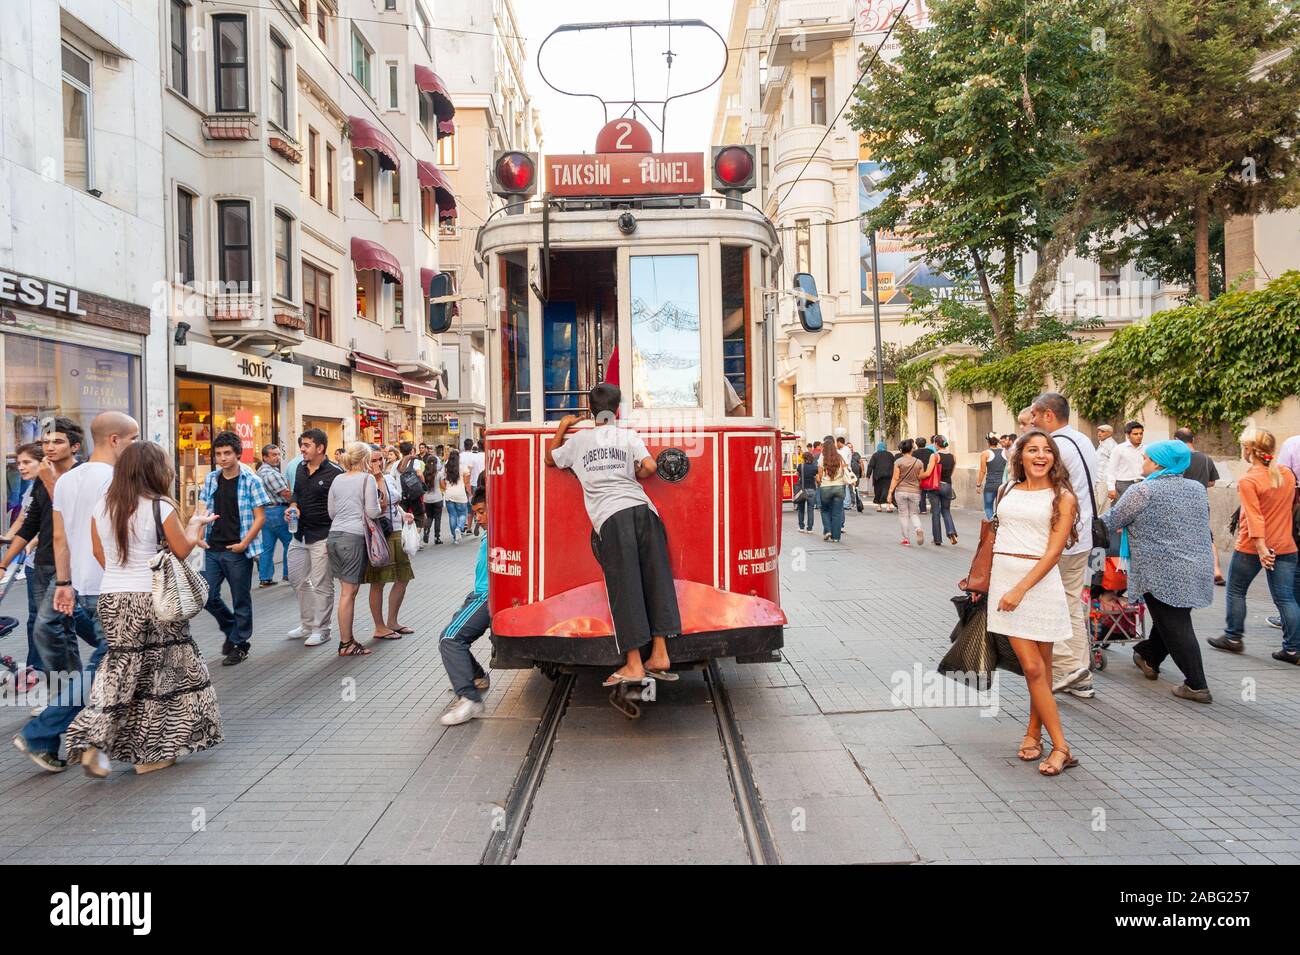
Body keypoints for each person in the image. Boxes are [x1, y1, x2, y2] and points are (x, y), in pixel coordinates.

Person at [65, 442, 222, 777]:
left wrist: (123, 575)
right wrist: (195, 526)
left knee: (120, 667)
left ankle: (96, 738)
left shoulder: (104, 506)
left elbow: (98, 553)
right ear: (155, 470)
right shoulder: (159, 506)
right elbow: (179, 551)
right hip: (153, 598)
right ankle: (151, 753)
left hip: (113, 596)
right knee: (163, 673)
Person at [12, 411, 139, 773]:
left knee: (109, 662)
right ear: (115, 440)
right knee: (104, 665)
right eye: (132, 439)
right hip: (112, 586)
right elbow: (118, 537)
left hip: (83, 585)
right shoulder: (116, 480)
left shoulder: (67, 481)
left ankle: (89, 739)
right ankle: (43, 733)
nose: (134, 446)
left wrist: (65, 584)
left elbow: (59, 537)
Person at [546, 383, 680, 686]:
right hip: (646, 512)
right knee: (656, 580)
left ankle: (634, 664)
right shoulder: (627, 436)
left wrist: (563, 426)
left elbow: (550, 459)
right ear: (617, 410)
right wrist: (638, 471)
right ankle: (660, 653)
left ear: (591, 412)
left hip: (612, 517)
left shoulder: (579, 441)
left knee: (626, 587)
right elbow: (650, 466)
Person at [987, 429, 1079, 777]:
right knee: (1035, 669)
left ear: (1054, 458)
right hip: (1003, 581)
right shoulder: (1007, 489)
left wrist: (1021, 589)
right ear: (1020, 456)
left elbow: (1054, 552)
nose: (1040, 456)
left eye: (1047, 451)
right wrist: (1001, 587)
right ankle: (1033, 733)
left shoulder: (1063, 496)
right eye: (1032, 450)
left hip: (1036, 587)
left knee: (1036, 669)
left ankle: (1060, 747)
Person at [1101, 440, 1215, 702]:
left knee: (1175, 624)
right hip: (1196, 564)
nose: (1143, 460)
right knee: (1171, 618)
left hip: (1161, 570)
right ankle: (1148, 655)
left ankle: (1197, 685)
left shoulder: (1143, 491)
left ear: (1158, 463)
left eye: (1148, 457)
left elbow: (1113, 520)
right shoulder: (1196, 488)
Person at [1029, 392, 1101, 700]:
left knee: (1040, 603)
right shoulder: (1083, 441)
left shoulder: (1054, 447)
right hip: (1082, 536)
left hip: (1061, 537)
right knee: (1072, 604)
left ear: (1048, 415)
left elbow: (1046, 491)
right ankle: (1081, 676)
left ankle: (1069, 666)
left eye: (1034, 415)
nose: (1031, 421)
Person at [1207, 429, 1300, 664]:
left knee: (1236, 590)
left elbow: (1255, 516)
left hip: (1252, 546)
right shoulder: (1287, 475)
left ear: (1249, 450)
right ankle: (1293, 649)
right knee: (1286, 597)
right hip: (1286, 544)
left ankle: (1233, 637)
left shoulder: (1249, 480)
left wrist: (1261, 548)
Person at [9, 421, 86, 681]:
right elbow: (31, 522)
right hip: (41, 562)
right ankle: (72, 691)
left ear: (75, 446)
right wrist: (3, 563)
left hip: (71, 565)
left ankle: (63, 690)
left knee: (45, 626)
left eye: (58, 442)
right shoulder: (45, 476)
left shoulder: (82, 475)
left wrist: (50, 480)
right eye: (46, 442)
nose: (50, 447)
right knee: (61, 629)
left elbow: (73, 514)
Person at [197, 431, 271, 667]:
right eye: (218, 454)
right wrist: (199, 536)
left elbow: (260, 517)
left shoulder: (252, 480)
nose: (222, 458)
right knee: (205, 595)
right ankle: (232, 629)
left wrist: (244, 544)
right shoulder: (211, 479)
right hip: (212, 547)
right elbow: (202, 509)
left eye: (227, 453)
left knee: (241, 598)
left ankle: (240, 644)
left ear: (238, 454)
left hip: (237, 549)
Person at [437, 487, 495, 725]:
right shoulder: (490, 530)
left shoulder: (501, 530)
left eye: (482, 512)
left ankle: (469, 699)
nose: (478, 518)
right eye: (476, 513)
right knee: (450, 635)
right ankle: (477, 677)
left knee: (450, 639)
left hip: (487, 596)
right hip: (480, 594)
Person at [287, 428, 345, 647]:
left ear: (320, 448)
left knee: (322, 584)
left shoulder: (335, 473)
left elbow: (341, 507)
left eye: (307, 445)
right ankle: (307, 624)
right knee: (297, 579)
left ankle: (322, 629)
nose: (302, 449)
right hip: (299, 533)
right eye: (302, 444)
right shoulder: (300, 469)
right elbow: (296, 494)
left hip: (323, 535)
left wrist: (335, 538)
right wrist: (293, 506)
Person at [327, 442, 382, 657]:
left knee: (346, 591)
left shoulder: (337, 479)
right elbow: (372, 511)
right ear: (365, 459)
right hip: (354, 536)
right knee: (349, 593)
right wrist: (380, 503)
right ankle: (346, 642)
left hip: (334, 536)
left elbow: (331, 512)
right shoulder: (367, 479)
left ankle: (346, 640)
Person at [0, 443, 48, 684]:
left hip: (48, 563)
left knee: (47, 619)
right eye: (18, 463)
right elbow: (22, 520)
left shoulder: (51, 488)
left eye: (27, 462)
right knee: (34, 617)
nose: (21, 467)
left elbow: (46, 525)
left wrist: (32, 542)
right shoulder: (30, 490)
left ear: (42, 462)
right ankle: (34, 667)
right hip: (31, 566)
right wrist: (7, 540)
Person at [364, 447, 415, 640]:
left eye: (381, 459)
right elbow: (381, 503)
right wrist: (377, 478)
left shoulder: (389, 477)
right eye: (374, 460)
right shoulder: (367, 481)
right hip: (379, 534)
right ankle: (380, 626)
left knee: (403, 576)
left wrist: (403, 514)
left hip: (396, 530)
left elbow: (394, 502)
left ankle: (393, 621)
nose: (379, 463)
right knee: (379, 581)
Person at [1176, 427, 1225, 585]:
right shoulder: (1206, 459)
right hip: (1201, 503)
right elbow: (1211, 482)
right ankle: (1216, 570)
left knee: (1180, 536)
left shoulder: (1177, 459)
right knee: (1206, 536)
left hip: (1180, 503)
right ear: (1193, 440)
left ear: (1177, 441)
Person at [256, 444, 293, 587]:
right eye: (273, 455)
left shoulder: (261, 471)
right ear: (265, 457)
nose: (277, 457)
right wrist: (297, 502)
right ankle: (289, 574)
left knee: (267, 546)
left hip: (265, 511)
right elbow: (285, 493)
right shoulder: (270, 474)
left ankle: (265, 578)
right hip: (277, 511)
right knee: (289, 542)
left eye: (278, 454)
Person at [921, 434, 958, 545]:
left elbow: (928, 473)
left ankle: (937, 539)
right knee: (946, 510)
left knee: (936, 511)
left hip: (935, 486)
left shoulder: (935, 456)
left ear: (936, 444)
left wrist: (919, 476)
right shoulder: (953, 456)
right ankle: (951, 532)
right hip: (947, 485)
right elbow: (951, 473)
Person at [887, 439, 925, 545]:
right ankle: (918, 528)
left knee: (903, 514)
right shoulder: (919, 462)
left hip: (901, 491)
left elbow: (895, 478)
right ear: (911, 449)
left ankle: (906, 539)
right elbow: (921, 477)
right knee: (914, 513)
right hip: (915, 491)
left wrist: (890, 492)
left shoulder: (898, 462)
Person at [818, 436, 849, 543]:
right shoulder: (840, 458)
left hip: (825, 487)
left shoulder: (822, 458)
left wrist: (819, 481)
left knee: (825, 510)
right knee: (837, 513)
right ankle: (836, 537)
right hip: (839, 487)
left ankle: (827, 530)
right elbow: (846, 470)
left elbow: (820, 475)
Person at [1107, 421, 1146, 501]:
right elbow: (1111, 469)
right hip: (1124, 485)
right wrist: (1111, 487)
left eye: (1141, 433)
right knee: (1123, 512)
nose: (1139, 436)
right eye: (1135, 434)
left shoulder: (1146, 449)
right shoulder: (1119, 449)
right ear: (1128, 435)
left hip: (1142, 484)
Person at [394, 440, 426, 534]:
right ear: (411, 450)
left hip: (401, 495)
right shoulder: (414, 461)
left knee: (403, 516)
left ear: (400, 451)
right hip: (414, 494)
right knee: (419, 516)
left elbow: (392, 478)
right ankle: (415, 537)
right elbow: (420, 474)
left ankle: (405, 537)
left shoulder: (397, 464)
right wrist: (422, 484)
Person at [976, 433, 1007, 520]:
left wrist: (978, 485)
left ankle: (993, 525)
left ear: (988, 442)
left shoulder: (985, 453)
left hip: (990, 484)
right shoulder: (1005, 451)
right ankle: (1000, 526)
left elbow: (982, 471)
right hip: (1003, 484)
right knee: (1000, 509)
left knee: (988, 507)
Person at [442, 448, 469, 543]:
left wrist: (446, 489)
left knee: (452, 516)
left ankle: (454, 537)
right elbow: (466, 482)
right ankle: (459, 527)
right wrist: (469, 492)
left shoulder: (445, 467)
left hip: (449, 493)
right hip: (460, 493)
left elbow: (441, 481)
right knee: (462, 513)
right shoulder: (462, 467)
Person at [462, 439, 486, 535]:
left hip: (475, 483)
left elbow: (470, 470)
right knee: (485, 504)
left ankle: (470, 524)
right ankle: (481, 519)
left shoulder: (474, 457)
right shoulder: (488, 455)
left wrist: (467, 484)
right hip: (486, 481)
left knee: (473, 504)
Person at [421, 445, 444, 545]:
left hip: (427, 499)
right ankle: (437, 537)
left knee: (429, 517)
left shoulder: (424, 474)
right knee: (437, 518)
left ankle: (426, 530)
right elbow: (442, 485)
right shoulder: (438, 474)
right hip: (437, 498)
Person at [795, 446, 819, 532]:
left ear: (804, 458)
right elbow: (817, 477)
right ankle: (810, 528)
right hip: (812, 489)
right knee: (810, 509)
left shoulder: (800, 466)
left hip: (802, 490)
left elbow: (797, 475)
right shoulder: (815, 467)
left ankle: (801, 527)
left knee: (801, 509)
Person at [866, 441, 895, 512]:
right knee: (888, 491)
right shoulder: (890, 454)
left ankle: (879, 506)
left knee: (878, 490)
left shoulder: (875, 455)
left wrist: (868, 475)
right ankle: (888, 506)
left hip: (878, 476)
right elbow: (894, 464)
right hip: (888, 476)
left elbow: (871, 466)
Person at [1095, 424, 1117, 508]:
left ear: (1109, 433)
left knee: (1103, 506)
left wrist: (1111, 484)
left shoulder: (1112, 445)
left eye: (1102, 431)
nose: (1099, 433)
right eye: (1099, 431)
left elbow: (1114, 464)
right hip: (1098, 479)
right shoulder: (1102, 444)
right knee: (1097, 505)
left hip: (1104, 481)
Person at [913, 437, 933, 514]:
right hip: (929, 473)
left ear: (917, 444)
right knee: (931, 492)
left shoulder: (914, 453)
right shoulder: (930, 451)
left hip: (919, 475)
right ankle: (933, 507)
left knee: (921, 493)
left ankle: (923, 509)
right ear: (925, 444)